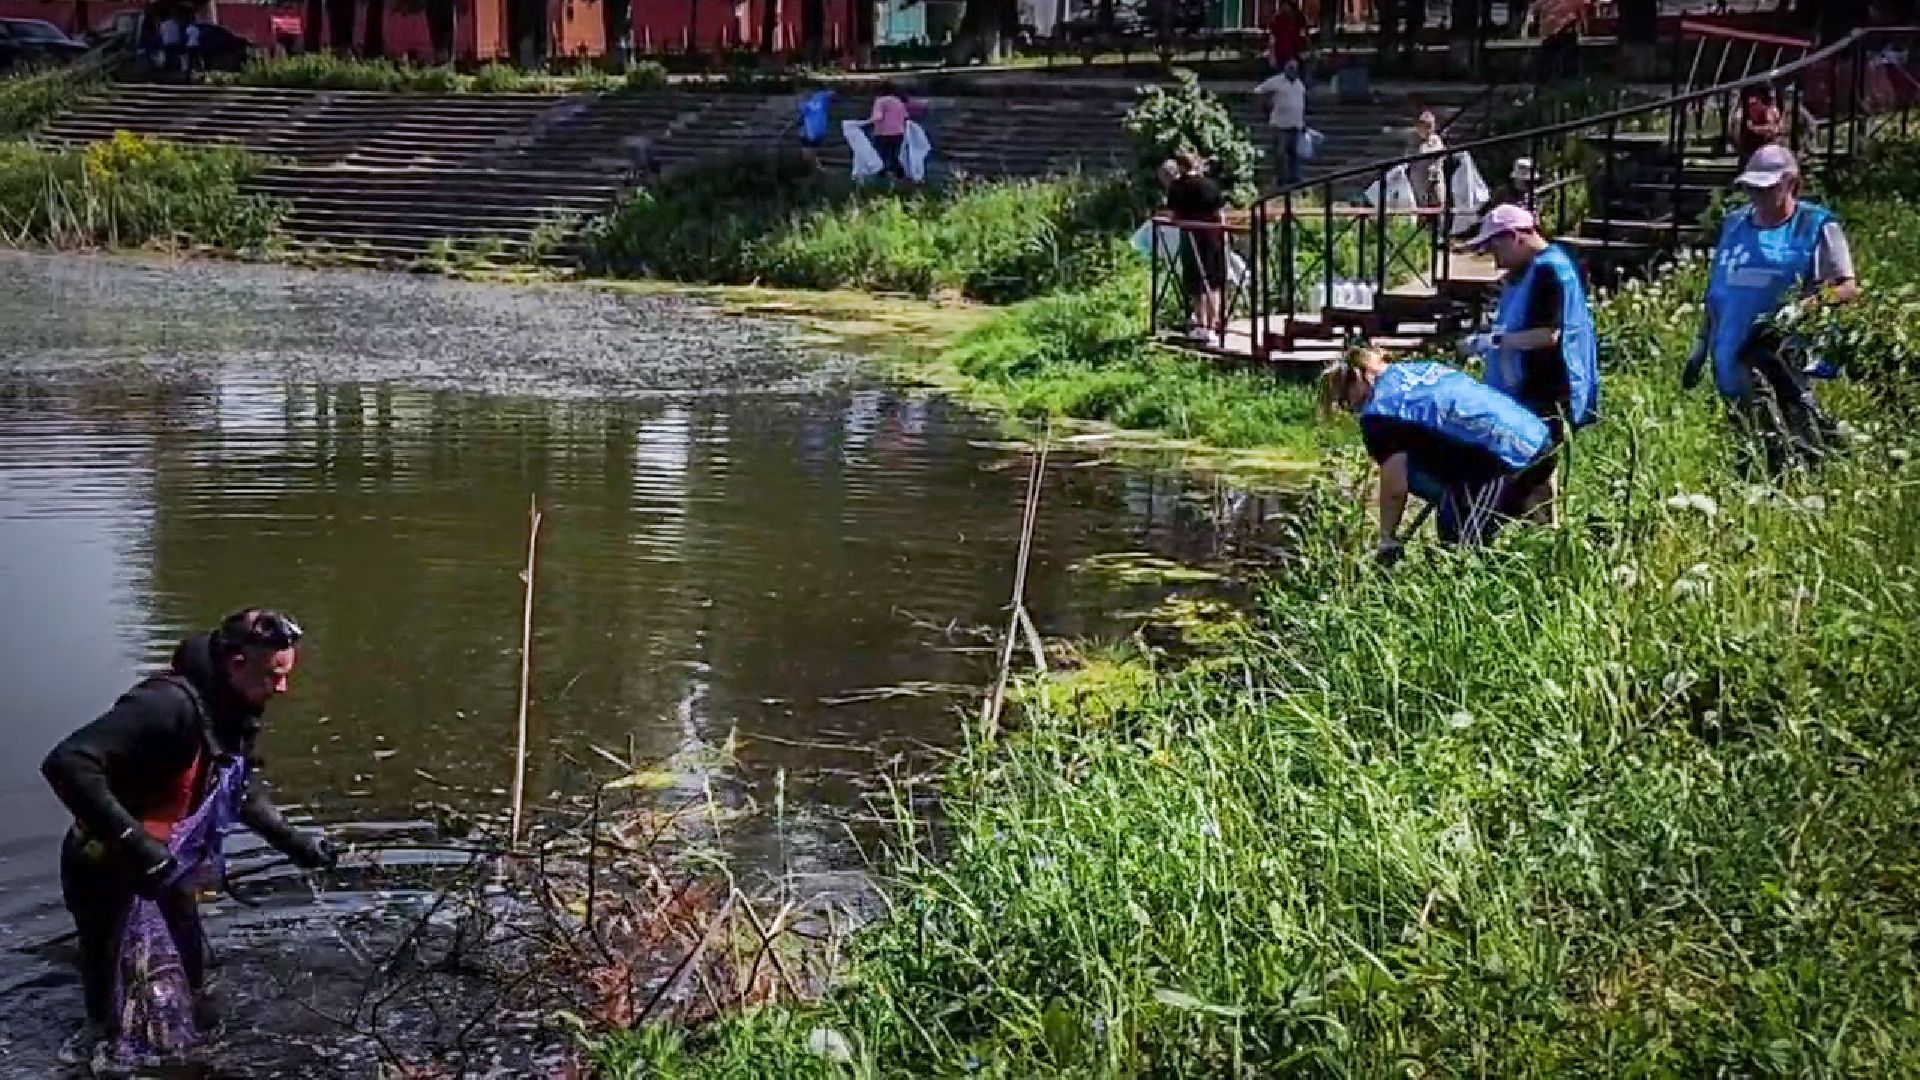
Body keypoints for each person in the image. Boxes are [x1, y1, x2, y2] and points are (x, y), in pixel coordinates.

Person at [41, 608, 336, 1064]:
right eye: (272, 676)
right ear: (237, 663)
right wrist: (135, 844)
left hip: (166, 867)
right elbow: (69, 762)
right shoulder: (165, 707)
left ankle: (189, 1054)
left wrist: (294, 842)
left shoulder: (232, 708)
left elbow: (238, 787)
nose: (282, 689)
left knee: (191, 975)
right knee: (111, 1001)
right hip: (106, 867)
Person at [1684, 145, 1858, 473]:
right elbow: (1718, 291)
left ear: (1791, 183)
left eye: (1768, 188)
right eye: (1752, 188)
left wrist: (1803, 307)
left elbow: (1847, 287)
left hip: (1783, 356)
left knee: (1795, 440)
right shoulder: (1735, 225)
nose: (1758, 195)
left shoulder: (1814, 225)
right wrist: (1700, 344)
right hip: (1730, 352)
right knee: (1748, 443)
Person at [1322, 349, 1555, 561]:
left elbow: (1395, 488)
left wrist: (1387, 540)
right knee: (1537, 543)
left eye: (1345, 400)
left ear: (1359, 377)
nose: (1350, 409)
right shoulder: (1421, 369)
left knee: (1461, 558)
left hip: (1503, 459)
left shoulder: (1380, 413)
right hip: (1538, 438)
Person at [1457, 204, 1599, 523]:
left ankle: (1536, 537)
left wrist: (1491, 343)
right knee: (1539, 477)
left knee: (1525, 475)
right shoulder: (1527, 272)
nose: (1493, 258)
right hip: (1529, 389)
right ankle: (1546, 536)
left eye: (1495, 246)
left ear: (1516, 237)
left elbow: (1548, 335)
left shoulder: (1549, 272)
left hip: (1549, 391)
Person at [1165, 150, 1228, 345]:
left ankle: (1201, 325)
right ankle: (1214, 323)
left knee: (1196, 282)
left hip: (1191, 235)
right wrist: (1224, 234)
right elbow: (1220, 212)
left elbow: (1174, 215)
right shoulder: (1210, 185)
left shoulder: (1177, 187)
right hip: (1213, 236)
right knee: (1214, 280)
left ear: (1182, 167)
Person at [1255, 60, 1308, 187]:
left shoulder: (1299, 84)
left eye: (1294, 69)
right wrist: (1265, 107)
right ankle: (1280, 179)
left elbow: (1301, 104)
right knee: (1280, 153)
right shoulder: (1276, 81)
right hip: (1280, 125)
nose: (1292, 71)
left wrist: (1303, 122)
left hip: (1295, 125)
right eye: (1290, 68)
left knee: (1294, 154)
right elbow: (1259, 90)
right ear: (1285, 69)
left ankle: (1294, 178)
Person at [868, 86, 910, 183]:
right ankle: (900, 175)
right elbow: (905, 117)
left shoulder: (880, 101)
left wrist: (865, 123)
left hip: (883, 132)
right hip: (898, 132)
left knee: (881, 156)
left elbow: (877, 117)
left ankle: (882, 176)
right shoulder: (899, 102)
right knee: (894, 155)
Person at [1734, 85, 1782, 163]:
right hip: (1752, 148)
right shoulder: (1749, 110)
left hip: (1764, 149)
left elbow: (1775, 129)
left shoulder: (1772, 110)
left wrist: (1754, 128)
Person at [1410, 110, 1446, 207]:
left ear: (1428, 127)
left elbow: (1433, 166)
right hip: (1421, 189)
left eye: (1420, 127)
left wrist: (1430, 189)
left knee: (1434, 215)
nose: (1417, 130)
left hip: (1431, 190)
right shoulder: (1420, 143)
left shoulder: (1434, 142)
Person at [796, 88, 836, 168]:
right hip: (821, 131)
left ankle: (811, 168)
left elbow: (800, 118)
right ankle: (817, 167)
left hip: (810, 133)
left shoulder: (803, 104)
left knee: (808, 152)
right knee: (813, 151)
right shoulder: (820, 96)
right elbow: (832, 93)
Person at [1267, 0, 1308, 71]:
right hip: (1281, 52)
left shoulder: (1298, 18)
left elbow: (1303, 35)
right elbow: (1272, 37)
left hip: (1294, 51)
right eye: (1283, 6)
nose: (1284, 8)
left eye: (1286, 6)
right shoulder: (1277, 20)